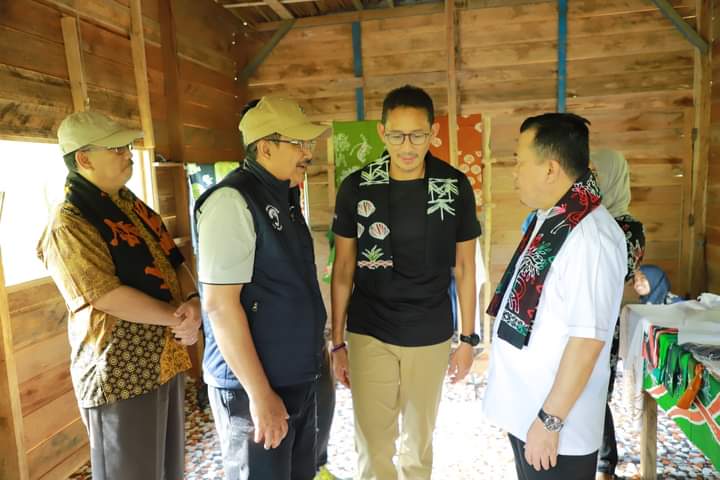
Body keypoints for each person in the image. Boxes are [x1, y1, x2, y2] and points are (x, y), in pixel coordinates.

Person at [38, 110, 201, 480]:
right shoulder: (69, 220)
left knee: (167, 469)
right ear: (83, 158)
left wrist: (192, 302)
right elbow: (104, 295)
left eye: (127, 147)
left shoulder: (133, 206)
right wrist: (181, 319)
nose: (128, 155)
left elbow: (175, 260)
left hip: (164, 357)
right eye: (117, 148)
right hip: (119, 372)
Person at [331, 85, 481, 480]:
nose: (407, 146)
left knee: (418, 445)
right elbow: (343, 267)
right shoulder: (357, 187)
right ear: (382, 133)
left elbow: (465, 269)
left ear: (433, 132)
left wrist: (468, 339)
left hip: (429, 330)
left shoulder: (453, 186)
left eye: (417, 135)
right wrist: (337, 341)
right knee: (373, 445)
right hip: (370, 329)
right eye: (397, 135)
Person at [482, 113, 627, 480]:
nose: (513, 171)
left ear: (550, 169)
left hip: (557, 428)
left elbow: (587, 338)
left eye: (519, 161)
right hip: (529, 410)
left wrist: (550, 420)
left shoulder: (590, 236)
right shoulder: (555, 217)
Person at [194, 96, 328, 480]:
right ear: (265, 147)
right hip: (252, 386)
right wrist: (259, 394)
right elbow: (220, 307)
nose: (307, 153)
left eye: (308, 144)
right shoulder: (231, 201)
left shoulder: (283, 195)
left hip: (293, 375)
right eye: (298, 144)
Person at [590, 149, 645, 480]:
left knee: (596, 393)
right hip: (572, 322)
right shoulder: (580, 218)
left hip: (601, 322)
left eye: (597, 173)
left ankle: (604, 464)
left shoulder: (628, 227)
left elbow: (622, 271)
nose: (591, 179)